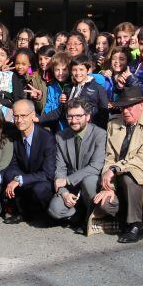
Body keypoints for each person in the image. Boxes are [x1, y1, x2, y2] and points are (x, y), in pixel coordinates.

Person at [94, 86, 143, 243]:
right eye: (122, 107)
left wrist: (117, 168)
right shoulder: (114, 124)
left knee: (128, 177)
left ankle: (136, 225)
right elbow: (109, 157)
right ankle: (125, 218)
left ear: (142, 106)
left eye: (129, 107)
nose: (125, 111)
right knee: (105, 203)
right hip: (116, 176)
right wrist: (108, 186)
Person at [0, 99, 56, 224]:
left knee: (40, 189)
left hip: (43, 181)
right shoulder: (14, 136)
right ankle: (22, 212)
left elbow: (48, 174)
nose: (19, 120)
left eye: (23, 116)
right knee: (10, 174)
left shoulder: (47, 139)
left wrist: (20, 180)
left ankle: (47, 215)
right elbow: (12, 163)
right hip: (26, 176)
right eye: (16, 116)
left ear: (33, 116)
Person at [47, 98, 107, 229]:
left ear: (88, 116)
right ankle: (79, 215)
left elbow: (96, 166)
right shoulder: (61, 136)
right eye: (70, 116)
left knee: (89, 181)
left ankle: (93, 215)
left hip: (91, 183)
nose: (74, 121)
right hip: (72, 187)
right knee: (54, 210)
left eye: (78, 116)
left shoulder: (100, 135)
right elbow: (60, 168)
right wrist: (64, 193)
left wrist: (68, 180)